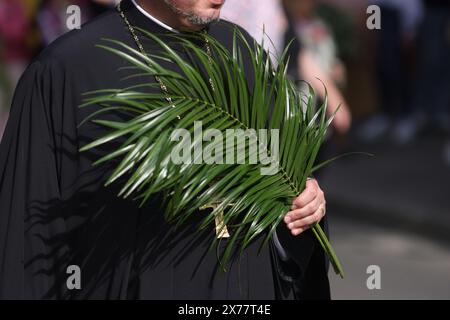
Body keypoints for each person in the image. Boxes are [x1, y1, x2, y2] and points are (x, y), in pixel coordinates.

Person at [0, 0, 329, 299]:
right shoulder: (67, 70)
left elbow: (285, 175)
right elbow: (27, 240)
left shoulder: (240, 49)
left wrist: (306, 202)